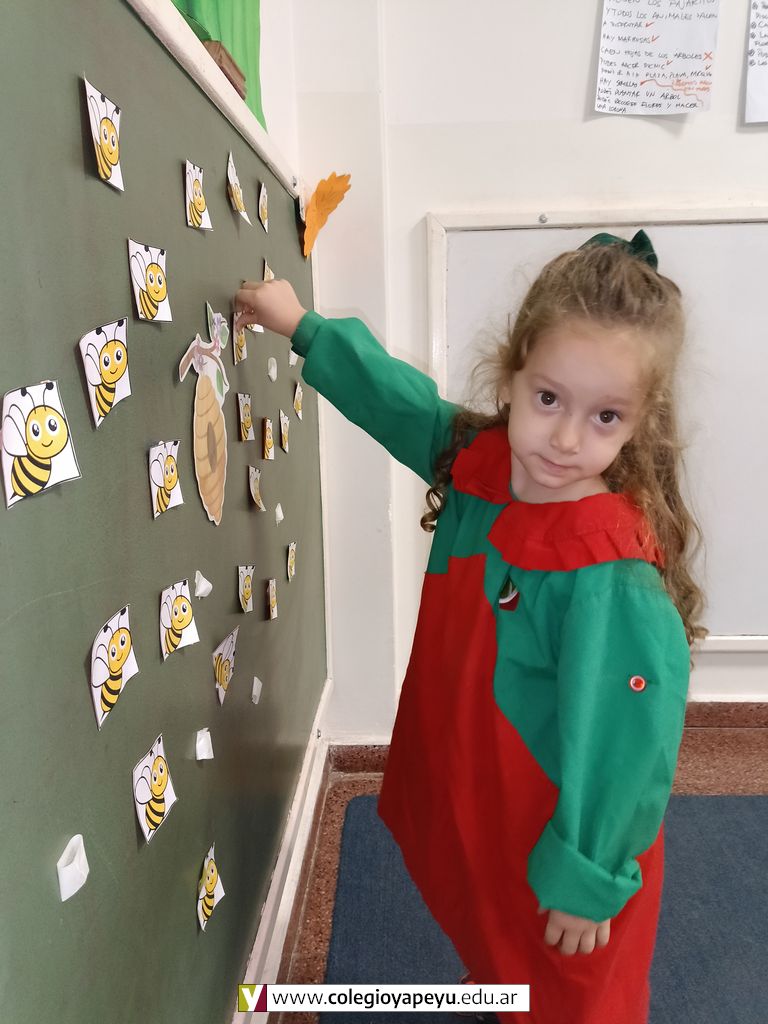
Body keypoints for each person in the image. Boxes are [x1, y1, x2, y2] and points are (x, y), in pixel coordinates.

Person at [235, 231, 706, 1024]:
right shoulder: (481, 464)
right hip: (489, 798)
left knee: (571, 995)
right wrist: (303, 328)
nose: (566, 439)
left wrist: (590, 881)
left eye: (605, 416)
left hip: (563, 831)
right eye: (548, 399)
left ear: (639, 425)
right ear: (512, 376)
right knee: (499, 938)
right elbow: (403, 404)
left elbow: (629, 748)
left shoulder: (609, 576)